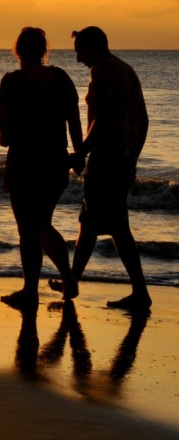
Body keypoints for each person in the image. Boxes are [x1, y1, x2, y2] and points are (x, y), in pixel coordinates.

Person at [0, 27, 84, 308]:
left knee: (30, 229)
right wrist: (79, 154)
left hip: (24, 162)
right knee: (42, 223)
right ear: (43, 50)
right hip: (55, 160)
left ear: (18, 50)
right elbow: (74, 119)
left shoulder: (13, 81)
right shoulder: (61, 78)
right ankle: (63, 279)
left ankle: (36, 289)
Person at [49, 27, 151, 312]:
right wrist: (133, 155)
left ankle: (140, 292)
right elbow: (143, 120)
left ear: (94, 46)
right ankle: (73, 282)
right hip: (123, 156)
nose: (79, 59)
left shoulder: (103, 70)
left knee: (116, 226)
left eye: (80, 51)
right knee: (90, 221)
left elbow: (103, 119)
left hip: (107, 158)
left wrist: (80, 151)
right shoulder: (127, 70)